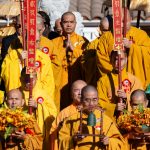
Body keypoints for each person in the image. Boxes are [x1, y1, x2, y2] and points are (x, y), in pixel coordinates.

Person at [1, 14, 55, 101]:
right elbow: (6, 74)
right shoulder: (14, 54)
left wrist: (40, 99)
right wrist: (18, 60)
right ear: (25, 40)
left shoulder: (44, 57)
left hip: (36, 98)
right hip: (18, 97)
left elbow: (48, 83)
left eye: (37, 41)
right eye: (31, 41)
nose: (35, 44)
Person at [59, 85, 127, 150]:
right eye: (87, 100)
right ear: (81, 100)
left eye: (94, 100)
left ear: (98, 100)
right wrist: (73, 139)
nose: (91, 104)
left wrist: (108, 141)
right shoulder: (72, 119)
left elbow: (120, 143)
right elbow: (61, 141)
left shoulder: (106, 120)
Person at [96, 8, 150, 89]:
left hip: (136, 83)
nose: (121, 25)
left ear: (131, 19)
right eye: (119, 22)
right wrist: (117, 74)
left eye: (124, 22)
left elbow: (148, 54)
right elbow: (102, 61)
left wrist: (132, 47)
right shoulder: (106, 38)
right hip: (114, 84)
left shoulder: (141, 35)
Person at [50, 11, 88, 111]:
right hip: (60, 80)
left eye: (71, 22)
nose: (68, 25)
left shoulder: (83, 41)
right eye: (65, 22)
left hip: (77, 78)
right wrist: (63, 50)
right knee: (60, 105)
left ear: (75, 23)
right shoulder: (54, 43)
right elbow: (51, 61)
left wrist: (74, 50)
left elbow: (87, 59)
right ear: (61, 24)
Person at [97, 50, 143, 120]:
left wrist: (127, 96)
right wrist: (114, 107)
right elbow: (99, 102)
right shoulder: (103, 81)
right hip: (111, 121)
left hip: (130, 120)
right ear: (110, 60)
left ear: (126, 59)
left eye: (121, 59)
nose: (117, 63)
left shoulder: (133, 80)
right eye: (115, 59)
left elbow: (141, 100)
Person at [20, 67, 57, 150]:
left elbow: (53, 113)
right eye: (26, 80)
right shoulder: (17, 93)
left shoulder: (43, 94)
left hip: (39, 132)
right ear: (20, 79)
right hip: (23, 130)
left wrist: (38, 106)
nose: (29, 82)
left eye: (32, 80)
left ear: (37, 78)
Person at [49, 80, 87, 150]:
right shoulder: (64, 113)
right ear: (71, 94)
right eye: (76, 90)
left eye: (83, 90)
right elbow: (53, 133)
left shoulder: (93, 111)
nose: (80, 93)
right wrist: (60, 128)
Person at [81, 15, 113, 86]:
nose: (107, 33)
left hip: (112, 80)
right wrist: (97, 58)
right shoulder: (93, 44)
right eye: (105, 30)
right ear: (100, 29)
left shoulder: (116, 43)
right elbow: (84, 63)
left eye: (109, 30)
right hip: (95, 82)